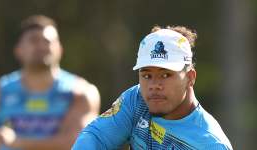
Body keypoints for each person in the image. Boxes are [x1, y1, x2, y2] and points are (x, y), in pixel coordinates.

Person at [72, 25, 233, 149]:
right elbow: (95, 137)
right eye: (147, 75)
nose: (154, 85)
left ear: (190, 78)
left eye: (165, 75)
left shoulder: (211, 144)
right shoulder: (135, 100)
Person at [0, 15, 100, 150]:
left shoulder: (81, 93)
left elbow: (80, 143)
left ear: (60, 49)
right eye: (34, 40)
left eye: (48, 41)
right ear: (18, 50)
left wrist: (17, 142)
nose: (42, 46)